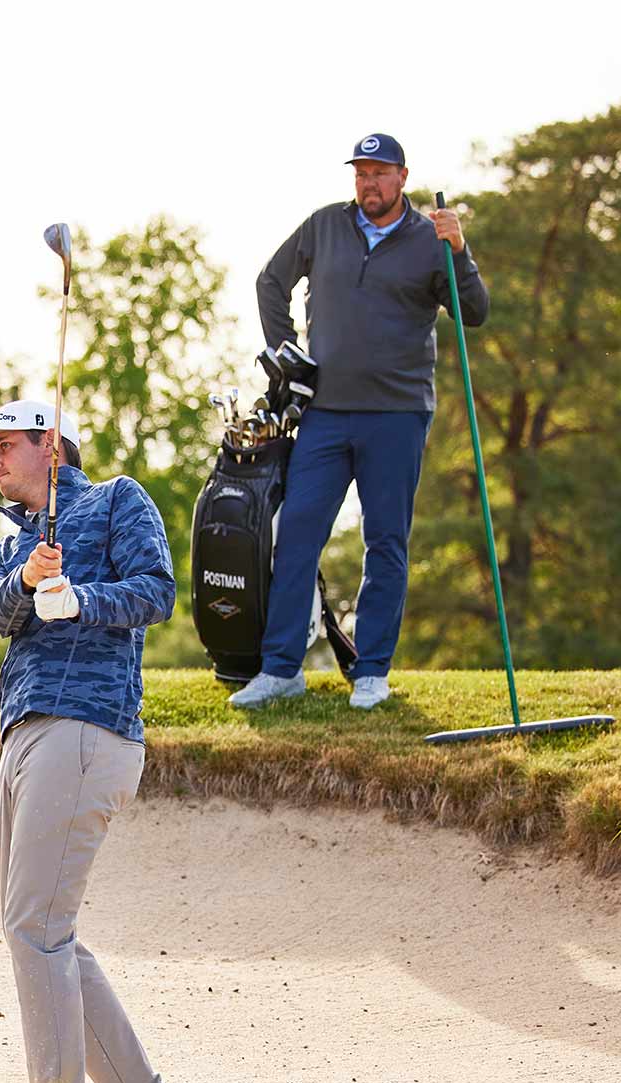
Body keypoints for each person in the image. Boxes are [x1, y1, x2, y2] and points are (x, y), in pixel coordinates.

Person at [0, 397, 195, 1083]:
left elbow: (156, 590)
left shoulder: (118, 498)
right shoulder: (6, 545)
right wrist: (30, 579)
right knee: (40, 930)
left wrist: (80, 598)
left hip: (86, 728)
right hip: (23, 737)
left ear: (49, 444)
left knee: (36, 928)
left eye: (3, 445)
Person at [231, 132, 490, 711]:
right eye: (360, 173)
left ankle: (371, 672)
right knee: (296, 533)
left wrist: (461, 251)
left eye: (380, 172)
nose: (368, 183)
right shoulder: (324, 225)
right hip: (324, 412)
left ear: (403, 177)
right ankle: (281, 670)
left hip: (398, 415)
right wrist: (285, 351)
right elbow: (270, 281)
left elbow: (474, 312)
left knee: (386, 543)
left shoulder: (430, 240)